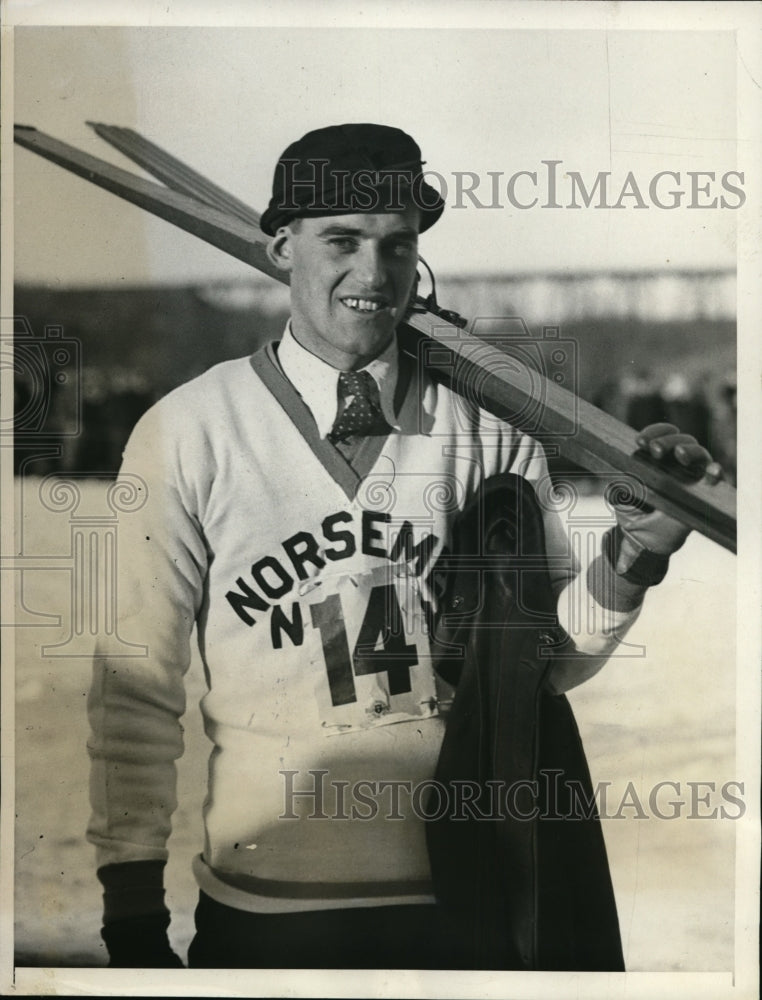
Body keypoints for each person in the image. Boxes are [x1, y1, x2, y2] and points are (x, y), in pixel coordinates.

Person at [86, 123, 722, 971]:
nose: (374, 275)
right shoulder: (189, 432)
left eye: (397, 246)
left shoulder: (488, 430)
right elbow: (135, 689)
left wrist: (636, 555)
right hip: (269, 909)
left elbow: (541, 664)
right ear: (280, 247)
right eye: (341, 241)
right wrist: (130, 909)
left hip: (466, 902)